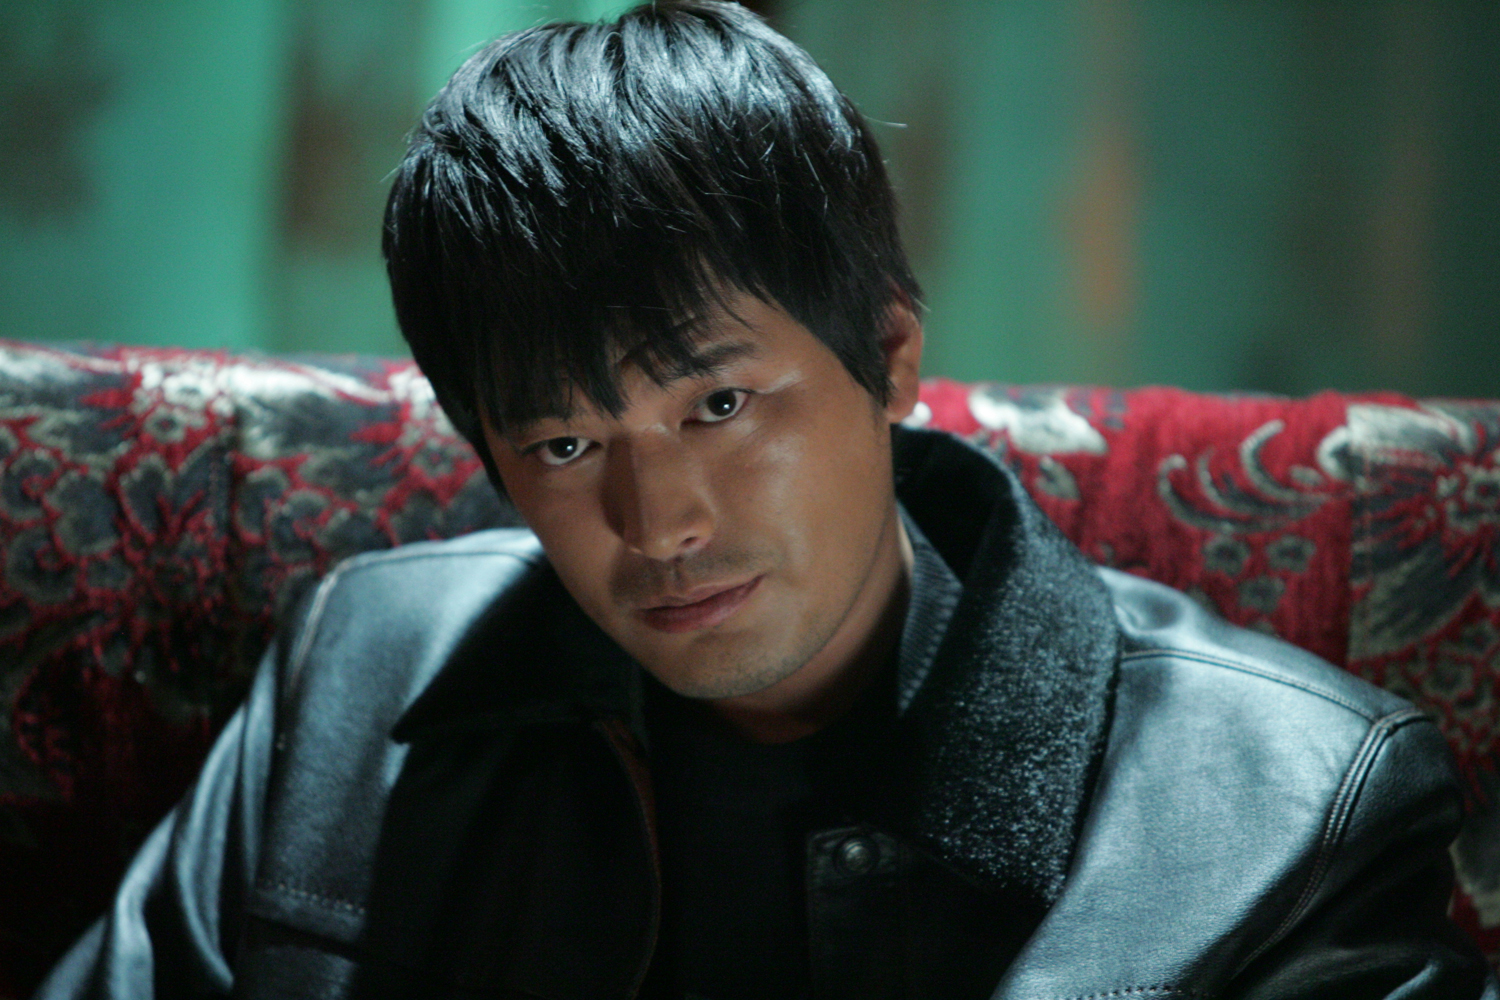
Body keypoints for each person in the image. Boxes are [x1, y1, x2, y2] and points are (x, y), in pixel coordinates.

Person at [34, 2, 1498, 998]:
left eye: (719, 407)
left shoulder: (1292, 812)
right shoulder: (357, 675)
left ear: (891, 355)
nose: (659, 521)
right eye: (563, 445)